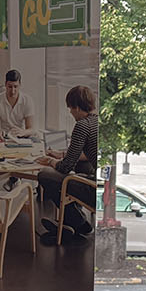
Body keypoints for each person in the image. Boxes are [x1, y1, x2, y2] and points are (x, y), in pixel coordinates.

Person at [36, 84, 98, 245]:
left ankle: (77, 221)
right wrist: (62, 154)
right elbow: (87, 155)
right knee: (80, 168)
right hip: (103, 184)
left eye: (70, 108)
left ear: (77, 107)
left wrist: (50, 161)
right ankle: (71, 221)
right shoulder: (97, 122)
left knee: (44, 175)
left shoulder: (82, 125)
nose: (70, 112)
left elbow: (65, 167)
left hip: (93, 189)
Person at [0, 69, 37, 138]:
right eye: (10, 87)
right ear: (5, 84)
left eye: (15, 86)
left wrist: (23, 132)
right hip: (3, 136)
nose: (13, 91)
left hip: (19, 136)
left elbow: (31, 129)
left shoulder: (27, 100)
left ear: (20, 85)